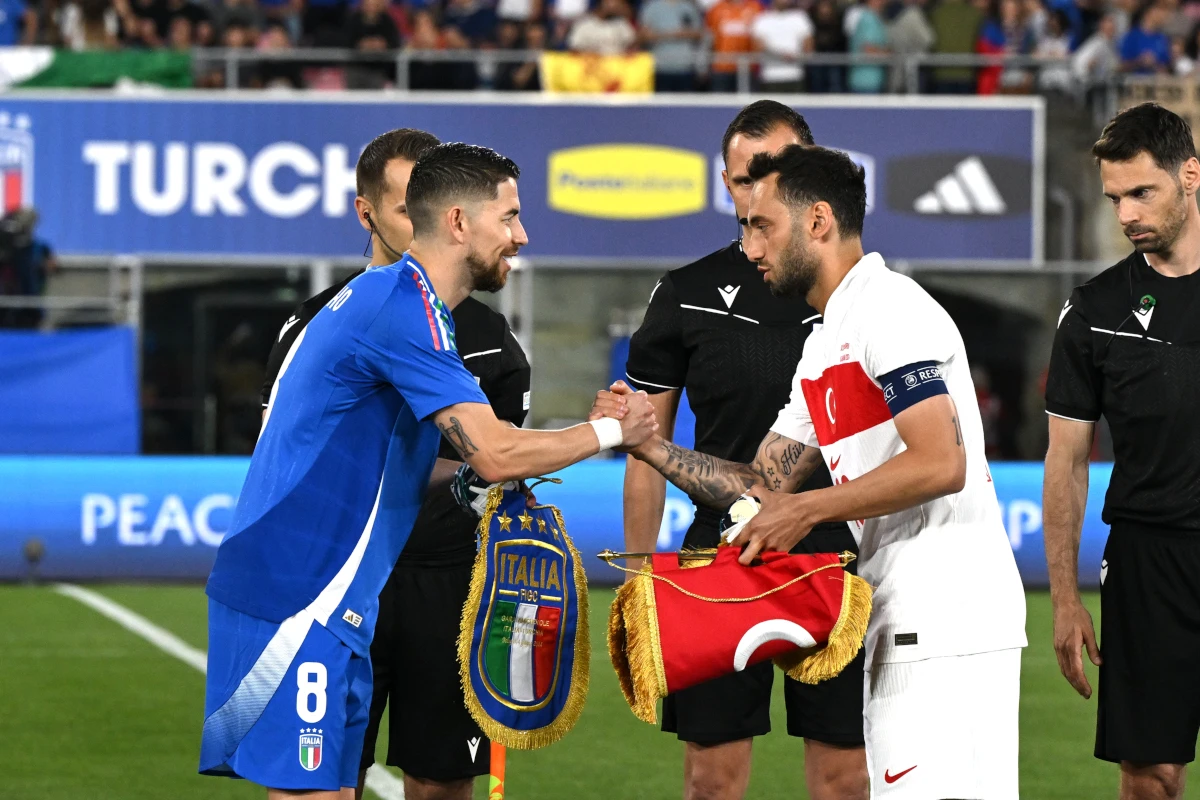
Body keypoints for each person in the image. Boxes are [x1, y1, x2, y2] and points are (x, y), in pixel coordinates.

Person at [199, 141, 658, 800]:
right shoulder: (402, 311)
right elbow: (495, 450)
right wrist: (615, 430)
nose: (522, 237)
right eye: (510, 217)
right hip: (299, 597)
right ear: (458, 223)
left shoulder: (402, 303)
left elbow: (429, 463)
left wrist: (489, 479)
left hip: (332, 598)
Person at [602, 143, 1027, 799]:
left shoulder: (891, 307)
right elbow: (761, 486)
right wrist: (652, 446)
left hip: (946, 607)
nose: (749, 247)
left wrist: (810, 509)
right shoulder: (826, 342)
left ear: (818, 221)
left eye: (762, 225)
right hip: (903, 604)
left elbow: (942, 461)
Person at [256, 129, 526, 800]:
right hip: (336, 585)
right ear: (366, 213)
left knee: (443, 781)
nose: (421, 225)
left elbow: (496, 473)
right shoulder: (315, 327)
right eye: (406, 207)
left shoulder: (493, 343)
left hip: (446, 583)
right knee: (317, 780)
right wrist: (604, 433)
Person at [622, 101, 866, 800]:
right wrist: (642, 576)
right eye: (739, 178)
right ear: (723, 183)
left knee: (847, 779)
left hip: (839, 547)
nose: (753, 189)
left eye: (770, 171)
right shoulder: (686, 294)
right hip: (718, 554)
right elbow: (646, 446)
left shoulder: (856, 297)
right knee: (711, 782)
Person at [1044, 102, 1200, 800]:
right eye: (1115, 198)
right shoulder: (1095, 311)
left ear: (1190, 176)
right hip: (1148, 561)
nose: (1127, 214)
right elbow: (1067, 462)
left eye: (1144, 192)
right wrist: (1065, 600)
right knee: (1152, 777)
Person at [639, 0, 704, 92]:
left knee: (686, 104)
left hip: (685, 66)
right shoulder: (651, 7)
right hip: (660, 67)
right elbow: (643, 35)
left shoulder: (689, 7)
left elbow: (699, 34)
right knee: (662, 104)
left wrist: (683, 34)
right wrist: (671, 34)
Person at [750, 0, 813, 93]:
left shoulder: (800, 17)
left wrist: (795, 56)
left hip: (795, 75)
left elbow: (808, 48)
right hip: (770, 76)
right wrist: (782, 55)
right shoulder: (762, 19)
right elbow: (758, 47)